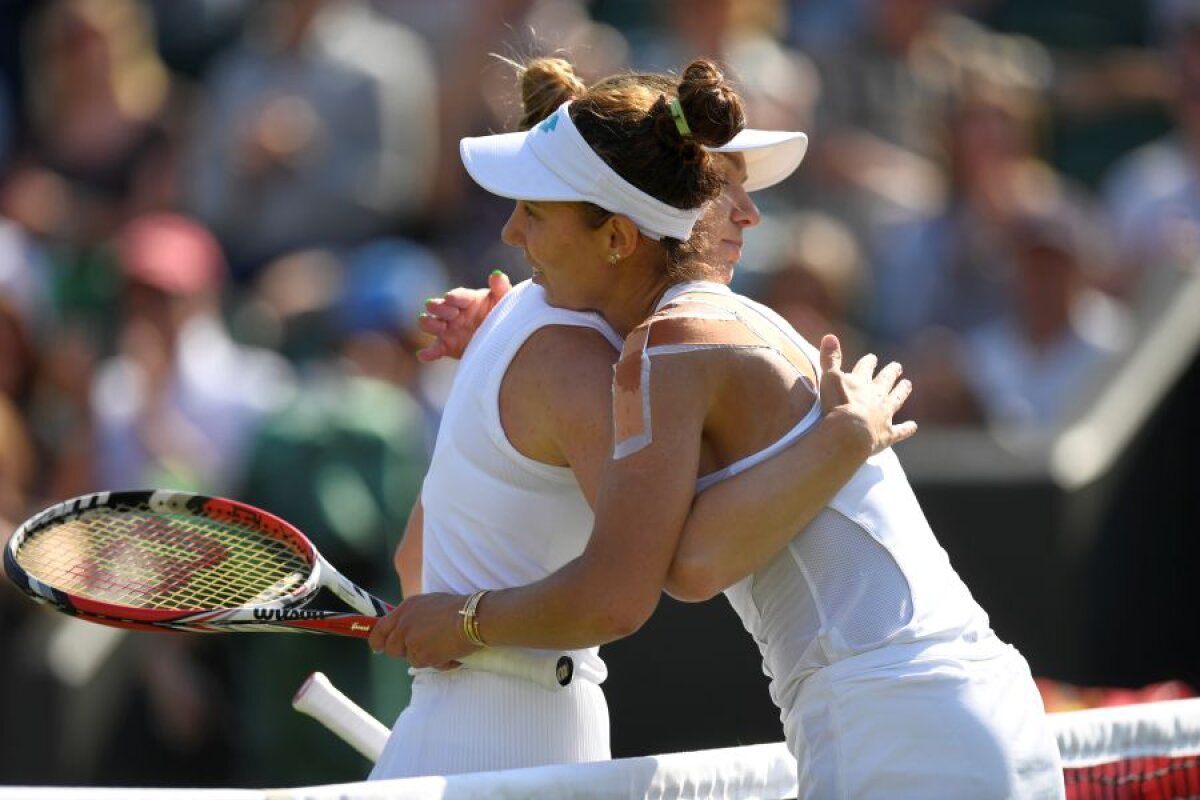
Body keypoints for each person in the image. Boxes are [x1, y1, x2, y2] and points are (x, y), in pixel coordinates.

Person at [371, 58, 1065, 798]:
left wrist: (466, 622)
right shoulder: (715, 324)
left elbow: (645, 583)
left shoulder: (668, 346)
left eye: (536, 214)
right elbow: (693, 553)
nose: (512, 232)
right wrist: (500, 342)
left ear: (617, 240)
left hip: (895, 728)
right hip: (967, 705)